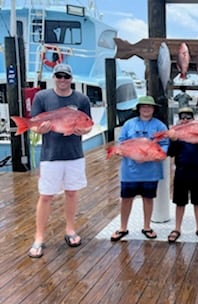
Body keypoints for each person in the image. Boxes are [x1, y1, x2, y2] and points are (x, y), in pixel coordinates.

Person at [28, 63, 92, 258]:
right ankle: (39, 238)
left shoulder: (81, 99)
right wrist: (41, 129)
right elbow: (33, 125)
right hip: (50, 155)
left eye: (66, 76)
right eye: (59, 76)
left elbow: (89, 125)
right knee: (46, 196)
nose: (62, 80)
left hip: (74, 154)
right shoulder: (42, 97)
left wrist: (84, 130)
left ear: (71, 78)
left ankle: (70, 230)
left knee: (72, 193)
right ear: (54, 77)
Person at [110, 96, 169, 242]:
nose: (146, 109)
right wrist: (119, 151)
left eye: (149, 107)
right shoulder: (129, 124)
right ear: (139, 109)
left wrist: (159, 154)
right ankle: (123, 227)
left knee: (148, 199)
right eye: (143, 107)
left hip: (151, 171)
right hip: (130, 171)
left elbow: (165, 144)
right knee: (126, 199)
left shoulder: (160, 126)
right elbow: (121, 142)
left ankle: (147, 226)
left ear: (153, 109)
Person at [167, 107, 198, 243]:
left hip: (197, 170)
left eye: (188, 117)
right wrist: (173, 141)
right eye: (182, 117)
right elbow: (171, 153)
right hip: (181, 170)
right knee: (180, 201)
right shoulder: (176, 133)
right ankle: (177, 228)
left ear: (193, 119)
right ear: (179, 119)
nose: (185, 120)